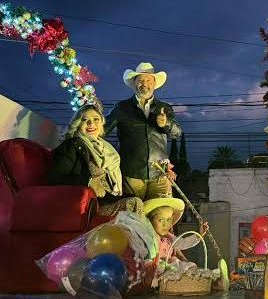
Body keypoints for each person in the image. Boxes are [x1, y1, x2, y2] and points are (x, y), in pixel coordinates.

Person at [105, 62, 182, 200]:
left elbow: (177, 133)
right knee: (133, 217)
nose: (144, 83)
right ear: (134, 83)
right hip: (131, 175)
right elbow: (102, 130)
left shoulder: (164, 107)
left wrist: (166, 123)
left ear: (154, 83)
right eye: (140, 80)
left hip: (160, 174)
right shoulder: (122, 107)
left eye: (148, 80)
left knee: (161, 214)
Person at [49, 104, 143, 216]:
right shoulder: (71, 145)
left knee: (141, 202)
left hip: (110, 198)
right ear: (78, 124)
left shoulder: (108, 149)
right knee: (134, 204)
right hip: (90, 204)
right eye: (85, 120)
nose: (91, 124)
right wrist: (88, 181)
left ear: (102, 124)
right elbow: (54, 177)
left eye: (96, 119)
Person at [143, 196, 228, 290]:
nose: (165, 224)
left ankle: (215, 282)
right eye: (160, 220)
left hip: (173, 265)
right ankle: (211, 284)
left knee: (189, 267)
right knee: (175, 269)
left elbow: (183, 243)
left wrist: (199, 235)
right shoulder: (149, 237)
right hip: (159, 269)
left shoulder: (169, 237)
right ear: (150, 221)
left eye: (168, 220)